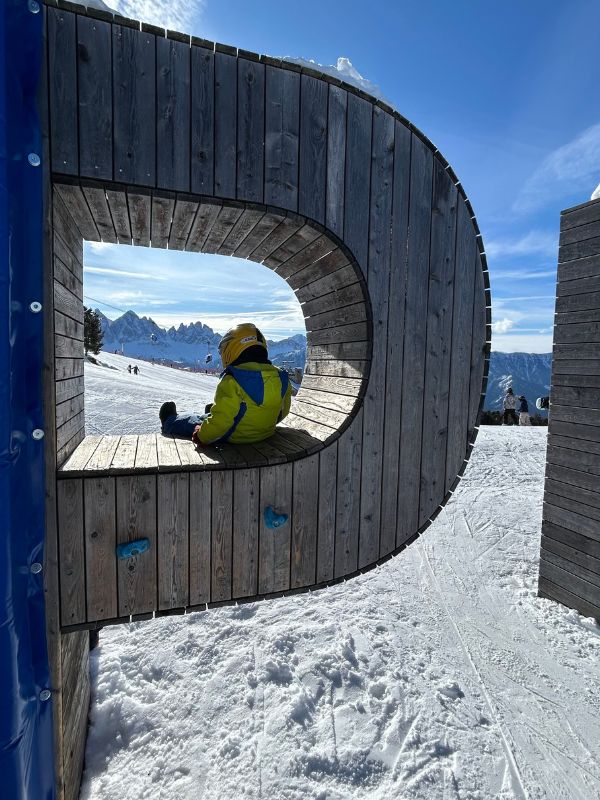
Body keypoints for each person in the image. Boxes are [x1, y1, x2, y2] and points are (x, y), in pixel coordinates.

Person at [159, 323, 293, 445]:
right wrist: (261, 424)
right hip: (265, 433)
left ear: (232, 348)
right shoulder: (282, 377)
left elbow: (221, 423)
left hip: (234, 436)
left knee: (195, 421)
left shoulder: (233, 380)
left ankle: (169, 421)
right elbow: (283, 411)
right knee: (219, 415)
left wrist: (201, 436)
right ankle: (224, 410)